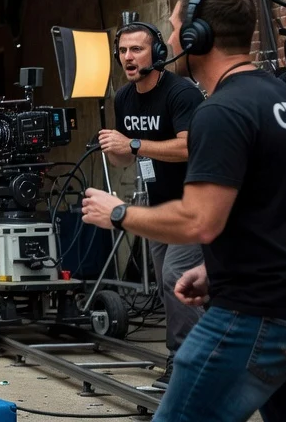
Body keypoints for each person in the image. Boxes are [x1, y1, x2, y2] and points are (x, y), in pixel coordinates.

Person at [82, 0, 286, 421]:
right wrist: (214, 264)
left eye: (177, 25)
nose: (175, 34)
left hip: (253, 312)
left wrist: (119, 214)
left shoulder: (220, 111)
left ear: (196, 37)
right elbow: (274, 203)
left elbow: (199, 222)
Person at [97, 21, 205, 384]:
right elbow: (125, 159)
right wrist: (116, 149)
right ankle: (202, 354)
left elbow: (191, 145)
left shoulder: (181, 93)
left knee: (177, 279)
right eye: (123, 51)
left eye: (137, 49)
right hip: (157, 204)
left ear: (157, 52)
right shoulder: (124, 97)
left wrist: (135, 144)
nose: (128, 57)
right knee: (167, 284)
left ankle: (185, 362)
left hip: (193, 202)